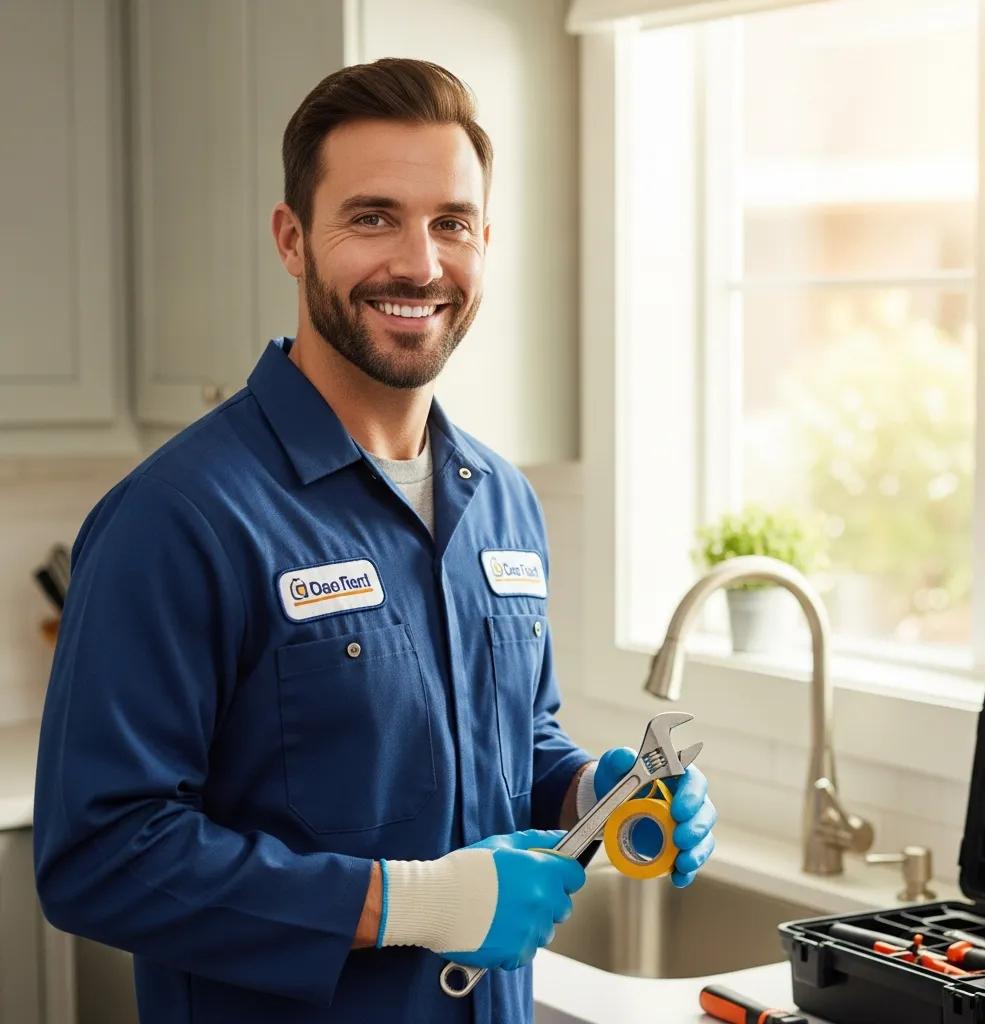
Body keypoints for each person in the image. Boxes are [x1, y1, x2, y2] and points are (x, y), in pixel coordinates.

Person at [33, 59, 716, 1023]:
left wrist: (588, 795)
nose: (420, 264)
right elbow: (99, 856)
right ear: (292, 240)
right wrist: (414, 903)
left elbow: (510, 744)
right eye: (372, 217)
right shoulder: (181, 517)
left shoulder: (503, 502)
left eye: (453, 222)